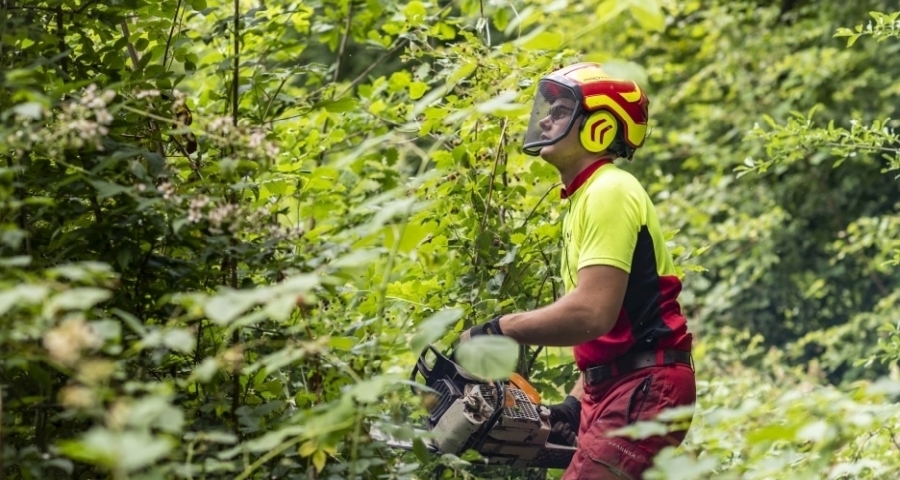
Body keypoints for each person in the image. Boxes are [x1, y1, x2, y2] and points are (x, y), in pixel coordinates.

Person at [459, 63, 696, 479]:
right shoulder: (586, 197)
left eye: (562, 109)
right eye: (548, 109)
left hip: (643, 388)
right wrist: (575, 402)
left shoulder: (609, 190)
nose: (547, 118)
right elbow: (615, 326)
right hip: (621, 385)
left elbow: (590, 314)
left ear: (600, 129)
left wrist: (501, 328)